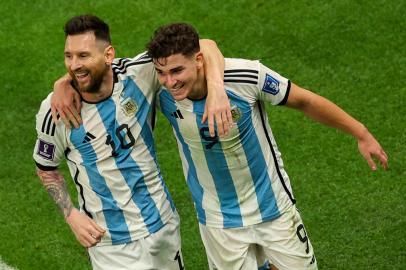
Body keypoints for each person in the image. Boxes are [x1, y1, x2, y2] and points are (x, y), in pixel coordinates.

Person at [52, 23, 388, 270]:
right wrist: (64, 83)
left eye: (177, 71)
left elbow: (304, 101)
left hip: (273, 208)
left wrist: (361, 132)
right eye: (163, 74)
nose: (170, 82)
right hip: (217, 221)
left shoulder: (245, 76)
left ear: (199, 60)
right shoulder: (162, 90)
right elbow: (96, 71)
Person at [33, 15, 231, 270]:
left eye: (83, 56)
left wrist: (216, 89)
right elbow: (45, 168)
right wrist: (70, 214)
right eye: (68, 56)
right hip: (109, 242)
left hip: (162, 226)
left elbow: (205, 46)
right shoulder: (55, 111)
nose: (74, 65)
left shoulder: (138, 74)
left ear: (108, 55)